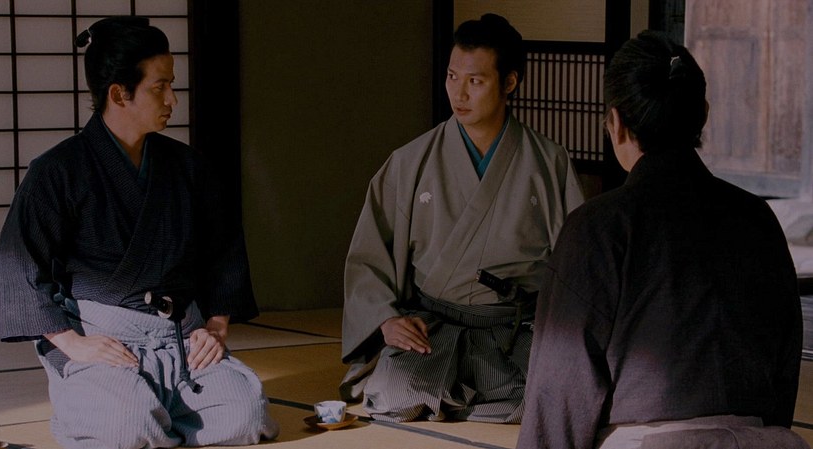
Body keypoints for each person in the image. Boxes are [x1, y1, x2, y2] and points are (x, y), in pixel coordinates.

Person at [0, 17, 278, 448]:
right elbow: (18, 266)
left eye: (171, 85)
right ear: (118, 94)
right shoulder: (57, 171)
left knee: (245, 416)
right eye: (159, 87)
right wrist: (73, 343)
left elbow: (224, 253)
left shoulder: (188, 167)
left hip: (180, 336)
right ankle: (103, 400)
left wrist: (216, 328)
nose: (172, 99)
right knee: (129, 428)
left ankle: (155, 406)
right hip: (105, 339)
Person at [515, 30, 808, 449]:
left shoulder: (597, 227)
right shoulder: (758, 217)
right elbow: (785, 362)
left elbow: (560, 386)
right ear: (703, 114)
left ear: (616, 123)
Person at [340, 13, 585, 423]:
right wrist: (386, 319)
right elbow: (369, 255)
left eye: (476, 81)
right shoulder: (410, 161)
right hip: (434, 328)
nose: (460, 93)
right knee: (394, 396)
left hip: (512, 330)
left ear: (509, 82)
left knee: (556, 396)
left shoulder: (548, 163)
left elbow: (578, 264)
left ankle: (459, 398)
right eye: (453, 77)